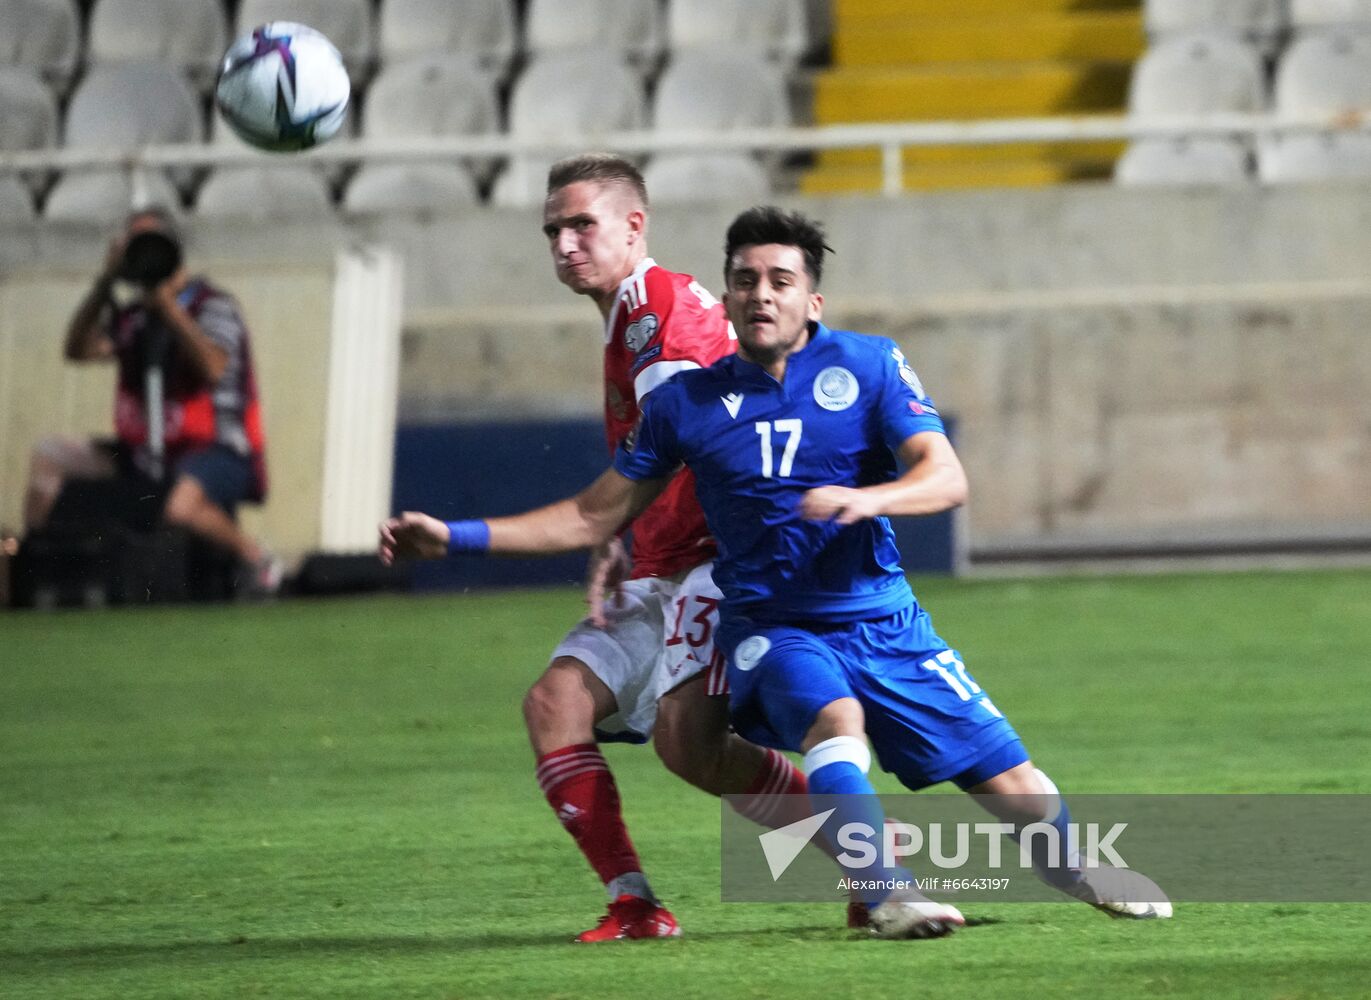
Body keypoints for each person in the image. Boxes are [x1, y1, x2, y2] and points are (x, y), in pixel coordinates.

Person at [381, 206, 1172, 938]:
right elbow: (594, 512)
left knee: (1009, 781)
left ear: (813, 301)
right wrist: (455, 535)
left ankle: (1078, 868)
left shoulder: (870, 364)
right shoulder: (685, 405)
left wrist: (870, 499)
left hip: (884, 617)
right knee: (834, 723)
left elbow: (945, 477)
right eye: (746, 280)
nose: (761, 294)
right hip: (771, 624)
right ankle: (887, 891)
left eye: (781, 281)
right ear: (724, 298)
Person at [471, 154, 830, 942]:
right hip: (663, 561)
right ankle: (635, 905)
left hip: (712, 564)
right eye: (552, 231)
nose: (565, 244)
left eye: (581, 225)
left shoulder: (655, 308)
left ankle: (876, 866)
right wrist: (627, 534)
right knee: (558, 706)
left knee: (688, 745)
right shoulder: (629, 314)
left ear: (634, 226)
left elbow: (705, 433)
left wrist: (607, 525)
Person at [23, 208, 279, 592]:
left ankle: (256, 559)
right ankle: (40, 572)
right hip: (142, 449)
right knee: (49, 455)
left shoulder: (213, 305)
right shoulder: (133, 317)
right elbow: (77, 349)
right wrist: (105, 282)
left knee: (177, 503)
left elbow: (213, 367)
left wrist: (167, 306)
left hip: (218, 447)